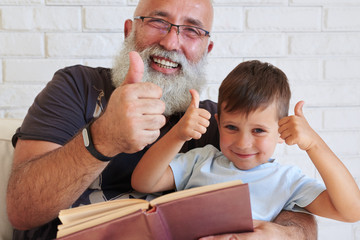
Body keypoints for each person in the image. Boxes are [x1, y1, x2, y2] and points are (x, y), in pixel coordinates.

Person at [6, 0, 318, 239]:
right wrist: (102, 139)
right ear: (130, 30)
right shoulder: (77, 86)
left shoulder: (221, 125)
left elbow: (292, 205)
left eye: (192, 30)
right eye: (158, 21)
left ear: (206, 50)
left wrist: (285, 233)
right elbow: (22, 210)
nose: (170, 43)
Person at [132, 60, 360, 224]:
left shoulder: (287, 181)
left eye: (258, 130)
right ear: (218, 123)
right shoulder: (201, 161)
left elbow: (351, 211)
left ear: (281, 131)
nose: (243, 143)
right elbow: (143, 183)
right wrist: (178, 135)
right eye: (232, 127)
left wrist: (314, 145)